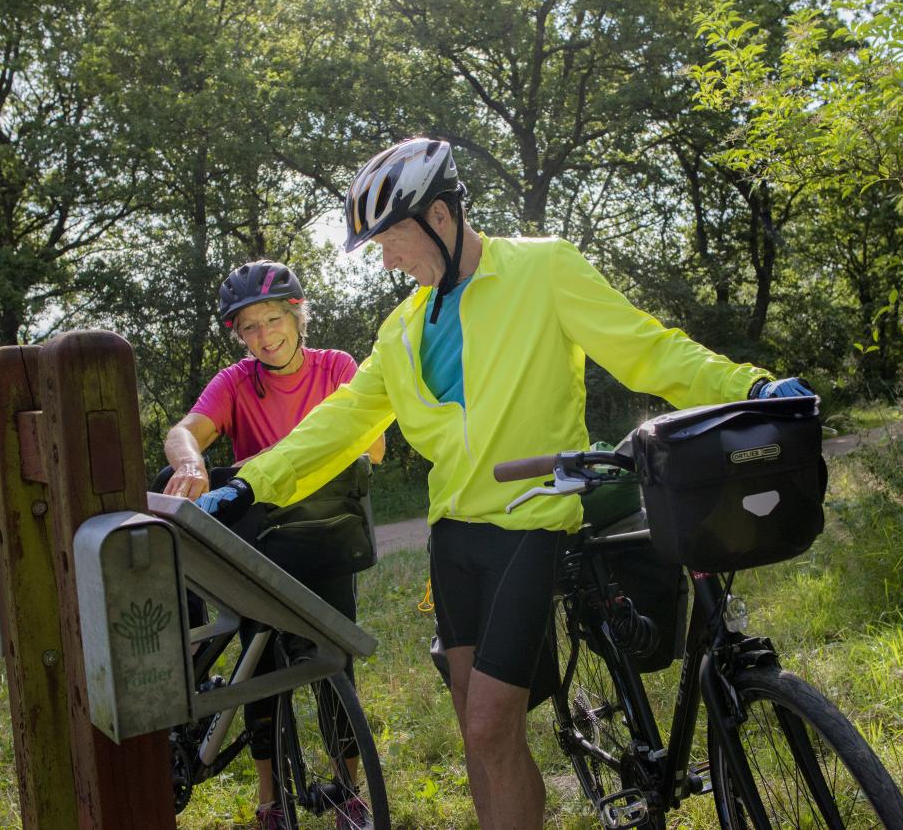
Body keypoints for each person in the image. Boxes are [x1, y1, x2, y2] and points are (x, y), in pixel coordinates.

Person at [198, 138, 813, 830]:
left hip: (532, 520)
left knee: (491, 725)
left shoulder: (540, 268)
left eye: (392, 238)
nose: (388, 260)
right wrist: (249, 483)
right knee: (475, 729)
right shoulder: (400, 329)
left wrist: (750, 386)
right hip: (453, 538)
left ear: (438, 214)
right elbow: (338, 422)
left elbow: (646, 348)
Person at [163, 259, 384, 830]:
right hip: (256, 546)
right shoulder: (237, 382)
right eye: (250, 328)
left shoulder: (335, 367)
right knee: (257, 669)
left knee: (334, 662)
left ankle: (351, 790)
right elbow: (185, 429)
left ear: (297, 314)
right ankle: (270, 801)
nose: (264, 336)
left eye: (273, 319)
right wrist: (190, 457)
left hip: (326, 534)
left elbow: (374, 448)